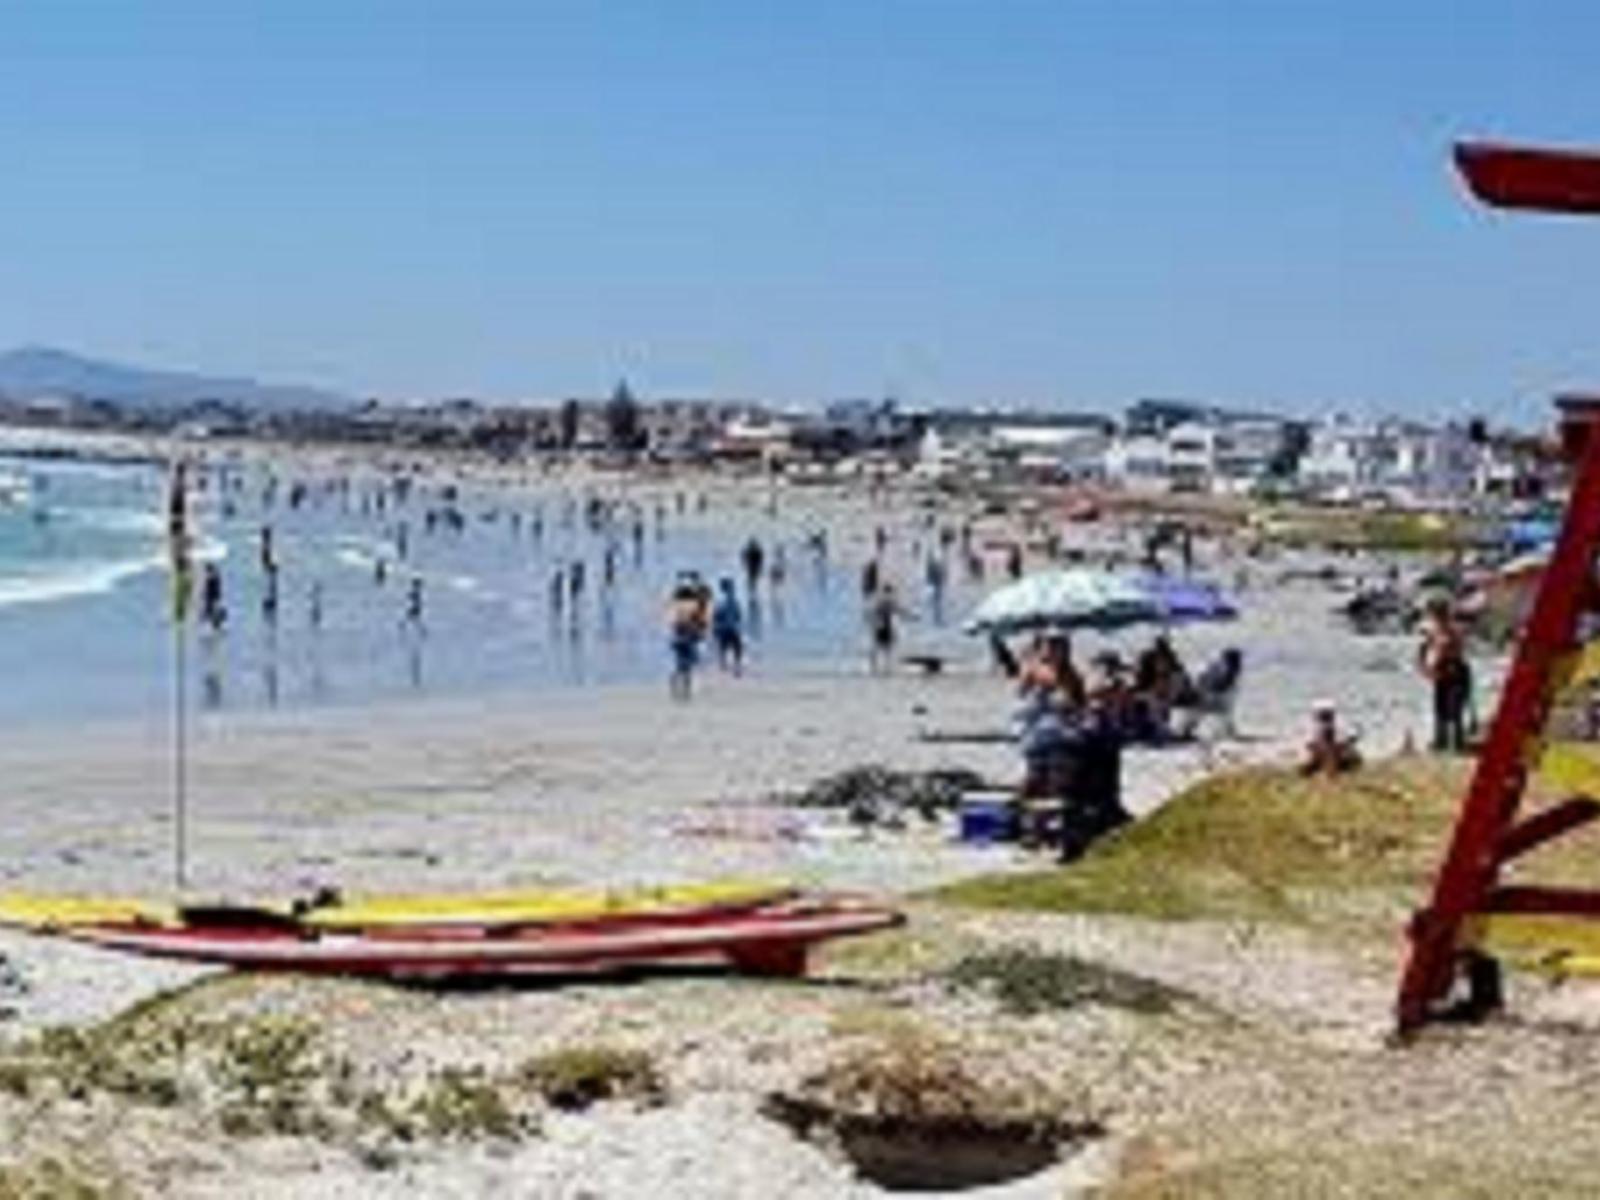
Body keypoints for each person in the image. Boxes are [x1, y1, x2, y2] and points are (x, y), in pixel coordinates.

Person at [1418, 598, 1471, 752]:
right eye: (1437, 615)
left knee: (1455, 709)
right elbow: (1423, 649)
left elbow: (1454, 649)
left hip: (1456, 670)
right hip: (1442, 670)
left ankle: (1457, 743)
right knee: (1440, 709)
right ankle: (1441, 742)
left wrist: (1428, 666)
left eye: (1440, 614)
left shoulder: (1455, 630)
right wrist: (1424, 668)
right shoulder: (1433, 631)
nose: (1438, 618)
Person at [1300, 700, 1362, 777]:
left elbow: (1347, 738)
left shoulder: (1339, 723)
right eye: (1323, 714)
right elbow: (1309, 743)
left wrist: (1347, 743)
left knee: (1352, 755)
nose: (1325, 716)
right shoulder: (1311, 725)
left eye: (1327, 714)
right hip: (1321, 754)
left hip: (1332, 753)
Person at [668, 582, 702, 700]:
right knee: (687, 668)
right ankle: (685, 691)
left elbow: (674, 626)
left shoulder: (676, 608)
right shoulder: (693, 607)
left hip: (680, 641)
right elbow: (695, 625)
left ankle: (677, 687)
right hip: (688, 640)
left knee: (681, 666)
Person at [866, 584, 904, 674]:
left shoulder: (883, 603)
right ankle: (881, 667)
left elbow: (899, 611)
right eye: (888, 592)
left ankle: (879, 667)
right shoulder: (886, 603)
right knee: (884, 649)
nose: (888, 596)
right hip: (885, 627)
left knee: (882, 648)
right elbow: (900, 611)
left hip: (884, 627)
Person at [711, 577, 745, 674]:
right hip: (731, 627)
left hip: (724, 628)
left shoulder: (720, 600)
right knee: (736, 647)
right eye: (731, 586)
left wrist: (715, 628)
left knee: (724, 646)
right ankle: (735, 665)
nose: (733, 588)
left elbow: (716, 615)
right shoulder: (732, 599)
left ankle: (724, 664)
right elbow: (738, 615)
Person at [201, 563, 227, 632]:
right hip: (212, 600)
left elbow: (213, 591)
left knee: (212, 614)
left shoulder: (212, 579)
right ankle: (216, 627)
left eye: (207, 571)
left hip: (213, 600)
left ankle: (216, 627)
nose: (206, 573)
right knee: (211, 615)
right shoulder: (214, 578)